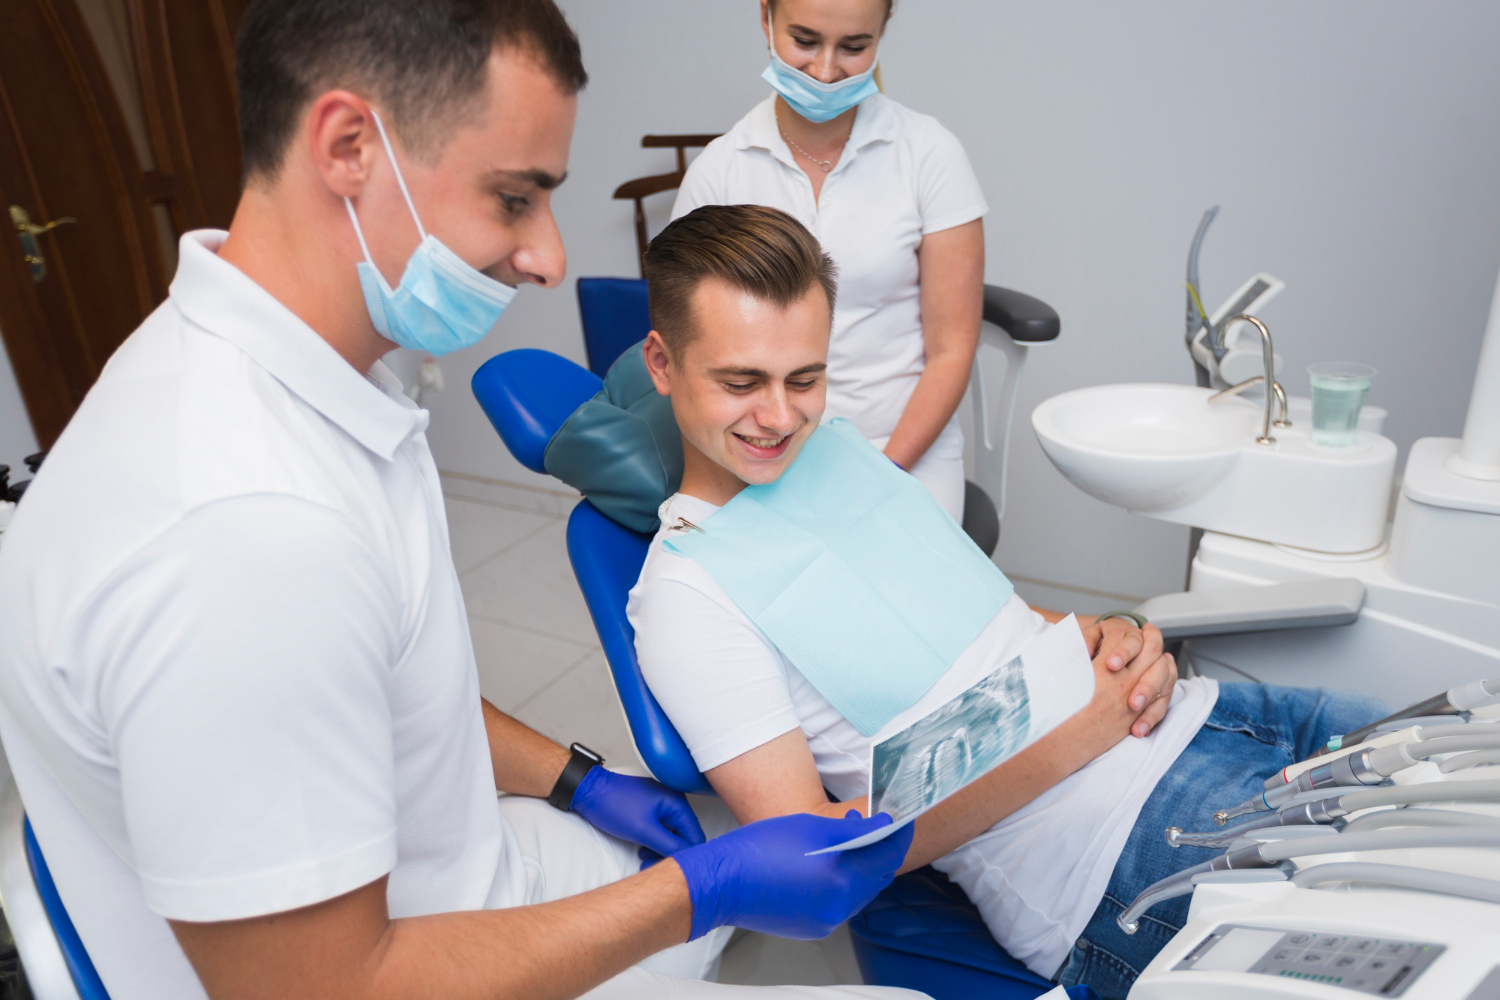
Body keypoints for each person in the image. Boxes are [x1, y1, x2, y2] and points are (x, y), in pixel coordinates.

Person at [0, 5, 925, 1000]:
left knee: (704, 864)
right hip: (390, 966)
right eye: (516, 197)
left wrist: (579, 780)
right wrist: (700, 891)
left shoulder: (323, 376)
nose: (550, 257)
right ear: (350, 147)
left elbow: (382, 683)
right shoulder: (245, 537)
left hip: (440, 867)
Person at [625, 205, 1389, 1000]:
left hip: (1217, 718)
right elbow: (813, 865)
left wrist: (1119, 638)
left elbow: (989, 624)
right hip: (1122, 852)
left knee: (1469, 768)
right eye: (741, 382)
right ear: (662, 361)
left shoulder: (840, 453)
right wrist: (1072, 737)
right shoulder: (688, 593)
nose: (781, 416)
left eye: (805, 378)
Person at [672, 0, 983, 523]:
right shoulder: (721, 171)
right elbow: (692, 358)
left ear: (882, 34)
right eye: (805, 41)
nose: (825, 70)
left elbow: (953, 349)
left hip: (901, 448)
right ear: (766, 19)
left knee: (899, 593)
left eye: (854, 47)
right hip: (759, 450)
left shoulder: (929, 154)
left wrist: (883, 475)